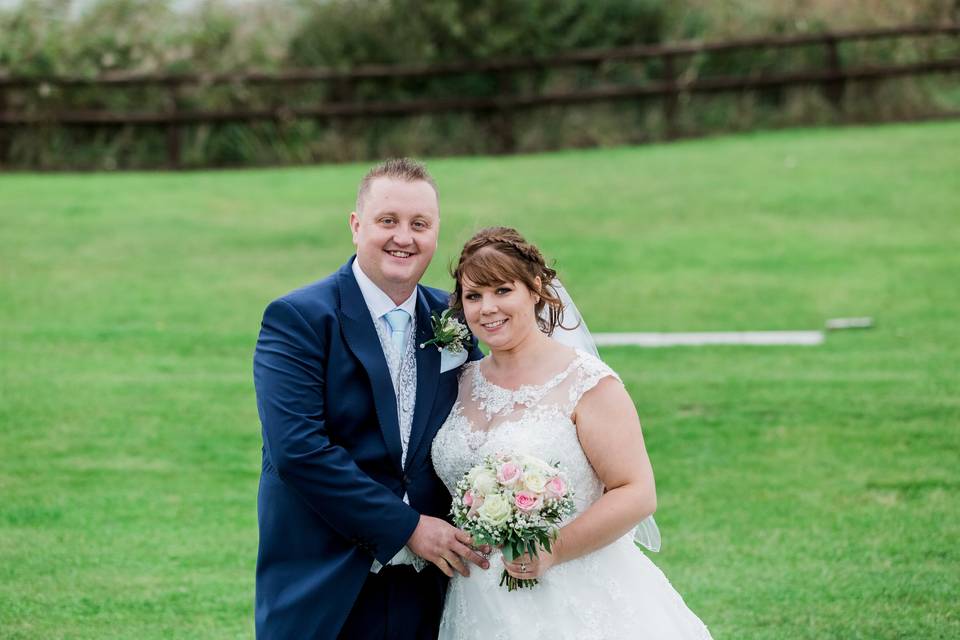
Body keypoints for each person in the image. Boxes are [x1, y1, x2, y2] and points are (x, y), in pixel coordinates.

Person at [432, 227, 713, 639]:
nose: (487, 308)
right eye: (473, 296)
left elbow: (636, 491)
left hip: (577, 594)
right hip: (478, 601)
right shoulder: (457, 382)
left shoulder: (586, 383)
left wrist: (553, 549)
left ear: (536, 289)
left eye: (502, 290)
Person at [253, 158, 489, 639]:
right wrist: (406, 528)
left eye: (419, 224)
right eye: (388, 221)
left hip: (431, 590)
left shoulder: (455, 320)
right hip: (326, 585)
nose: (404, 237)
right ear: (356, 226)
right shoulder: (298, 319)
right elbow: (298, 450)